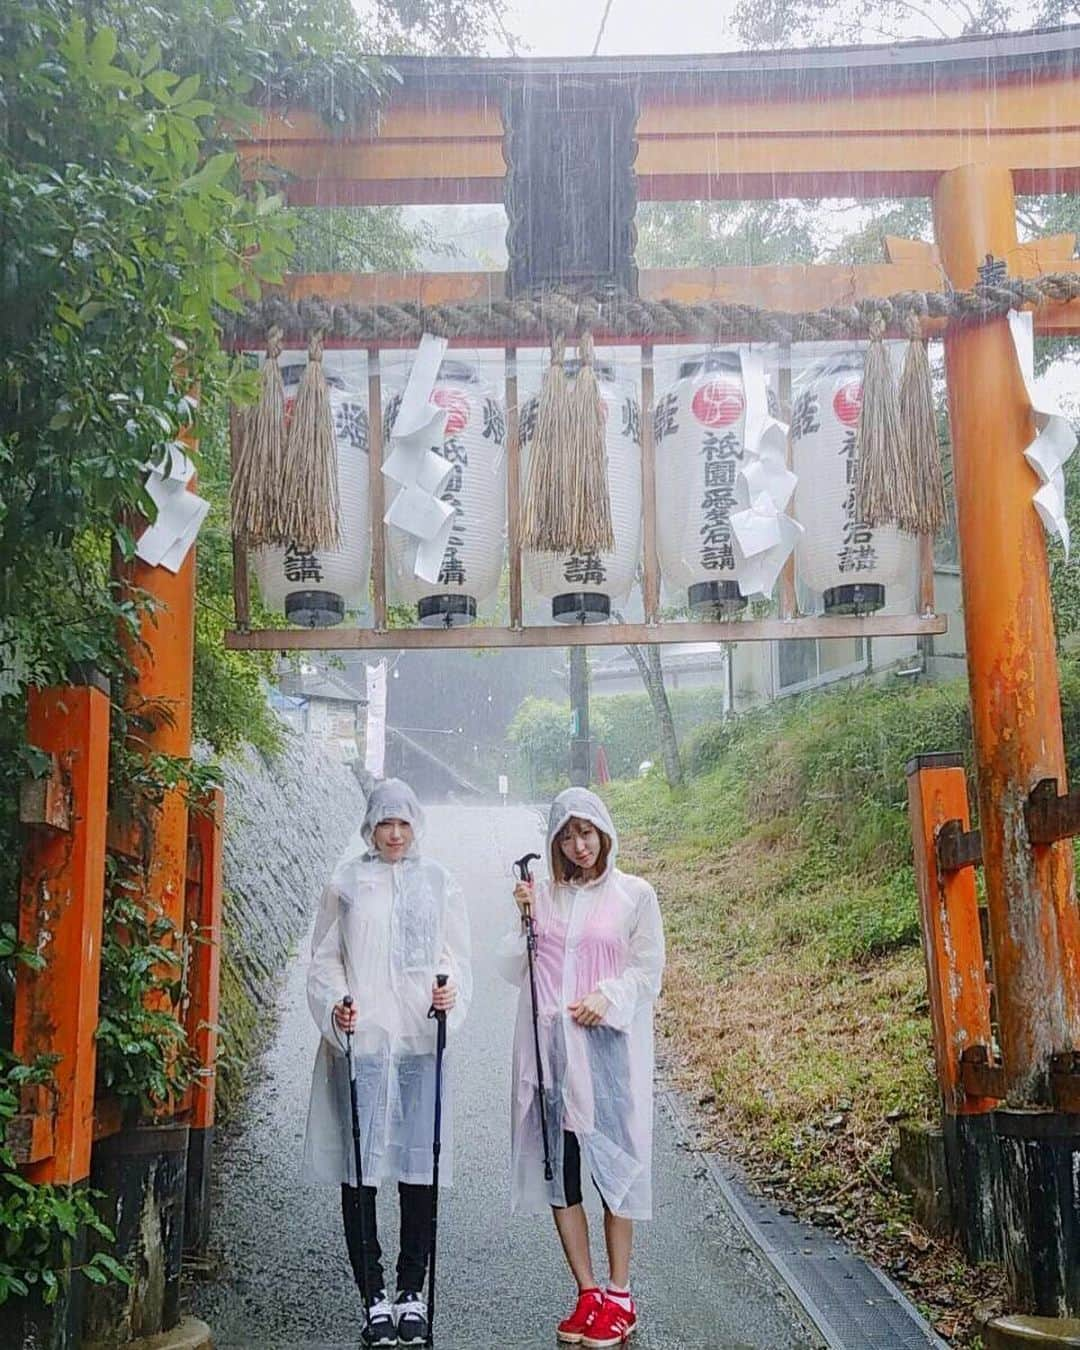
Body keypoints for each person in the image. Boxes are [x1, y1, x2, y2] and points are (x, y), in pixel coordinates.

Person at [303, 779, 471, 1348]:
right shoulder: (347, 884)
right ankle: (372, 1292)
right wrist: (335, 1006)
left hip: (420, 1043)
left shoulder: (440, 883)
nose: (395, 834)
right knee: (362, 1169)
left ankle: (411, 1291)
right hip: (366, 1045)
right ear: (370, 826)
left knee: (418, 1167)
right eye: (384, 823)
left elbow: (456, 959)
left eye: (403, 823)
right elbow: (325, 960)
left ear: (416, 825)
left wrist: (453, 996)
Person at [500, 787, 665, 1348]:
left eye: (586, 832)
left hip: (606, 1053)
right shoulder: (541, 897)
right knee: (561, 1172)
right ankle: (588, 1290)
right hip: (550, 1054)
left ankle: (621, 1293)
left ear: (604, 833)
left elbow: (648, 972)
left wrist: (608, 996)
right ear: (555, 843)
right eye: (566, 836)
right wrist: (522, 914)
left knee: (615, 1169)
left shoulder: (634, 895)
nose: (578, 845)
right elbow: (512, 966)